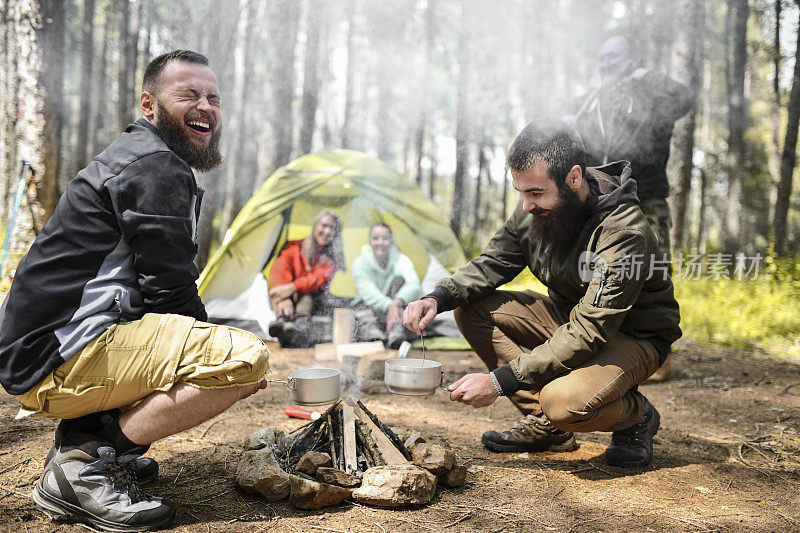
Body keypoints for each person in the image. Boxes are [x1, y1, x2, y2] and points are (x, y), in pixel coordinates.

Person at [0, 50, 271, 531]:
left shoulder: (143, 157)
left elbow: (152, 296)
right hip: (57, 356)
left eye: (214, 97)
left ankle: (84, 440)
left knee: (205, 343)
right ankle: (83, 472)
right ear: (150, 106)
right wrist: (223, 360)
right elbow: (171, 293)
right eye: (188, 94)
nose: (206, 106)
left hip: (44, 347)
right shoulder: (154, 166)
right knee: (244, 359)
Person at [403, 121, 681, 468]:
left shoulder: (623, 232)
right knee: (470, 309)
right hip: (571, 318)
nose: (525, 205)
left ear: (574, 178)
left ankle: (637, 417)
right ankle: (547, 427)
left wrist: (499, 382)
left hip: (633, 335)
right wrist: (437, 298)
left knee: (562, 402)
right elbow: (492, 262)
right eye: (520, 192)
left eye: (535, 193)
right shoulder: (538, 209)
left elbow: (591, 330)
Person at [565, 35, 692, 382]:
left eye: (614, 57)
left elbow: (685, 98)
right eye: (602, 58)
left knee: (653, 271)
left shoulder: (653, 94)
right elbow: (565, 127)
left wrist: (644, 76)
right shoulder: (591, 101)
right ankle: (603, 348)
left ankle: (660, 356)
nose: (606, 64)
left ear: (631, 60)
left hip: (646, 198)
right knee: (599, 272)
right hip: (603, 203)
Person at [267, 210, 345, 348]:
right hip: (289, 296)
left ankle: (297, 327)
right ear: (315, 225)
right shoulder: (295, 246)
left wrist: (293, 287)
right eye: (324, 225)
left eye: (332, 229)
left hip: (314, 298)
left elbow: (316, 280)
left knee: (306, 297)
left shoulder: (332, 259)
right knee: (280, 294)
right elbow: (279, 266)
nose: (327, 232)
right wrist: (284, 296)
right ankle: (283, 323)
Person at [351, 223, 422, 348]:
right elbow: (368, 291)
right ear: (369, 241)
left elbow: (414, 284)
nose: (380, 242)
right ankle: (377, 336)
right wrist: (390, 306)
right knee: (366, 312)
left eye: (385, 238)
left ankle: (396, 333)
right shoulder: (360, 263)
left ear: (391, 241)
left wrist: (397, 302)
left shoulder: (401, 259)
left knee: (399, 280)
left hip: (395, 309)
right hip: (371, 309)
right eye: (376, 238)